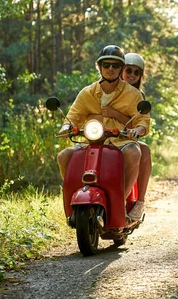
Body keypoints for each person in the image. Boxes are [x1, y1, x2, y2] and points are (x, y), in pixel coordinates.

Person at [56, 45, 149, 221]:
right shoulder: (87, 92)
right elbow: (73, 117)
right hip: (91, 141)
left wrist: (138, 129)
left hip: (120, 140)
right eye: (106, 65)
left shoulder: (134, 94)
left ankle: (120, 200)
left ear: (121, 68)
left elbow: (143, 120)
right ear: (99, 67)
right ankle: (73, 206)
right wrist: (66, 127)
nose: (110, 69)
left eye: (115, 65)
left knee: (134, 151)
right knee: (63, 156)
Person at [100, 53, 153, 220]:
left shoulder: (138, 96)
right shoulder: (106, 88)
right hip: (101, 136)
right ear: (121, 70)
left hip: (126, 139)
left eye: (136, 73)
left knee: (144, 150)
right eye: (128, 70)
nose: (131, 75)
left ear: (141, 76)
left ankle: (139, 202)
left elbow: (136, 124)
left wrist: (115, 114)